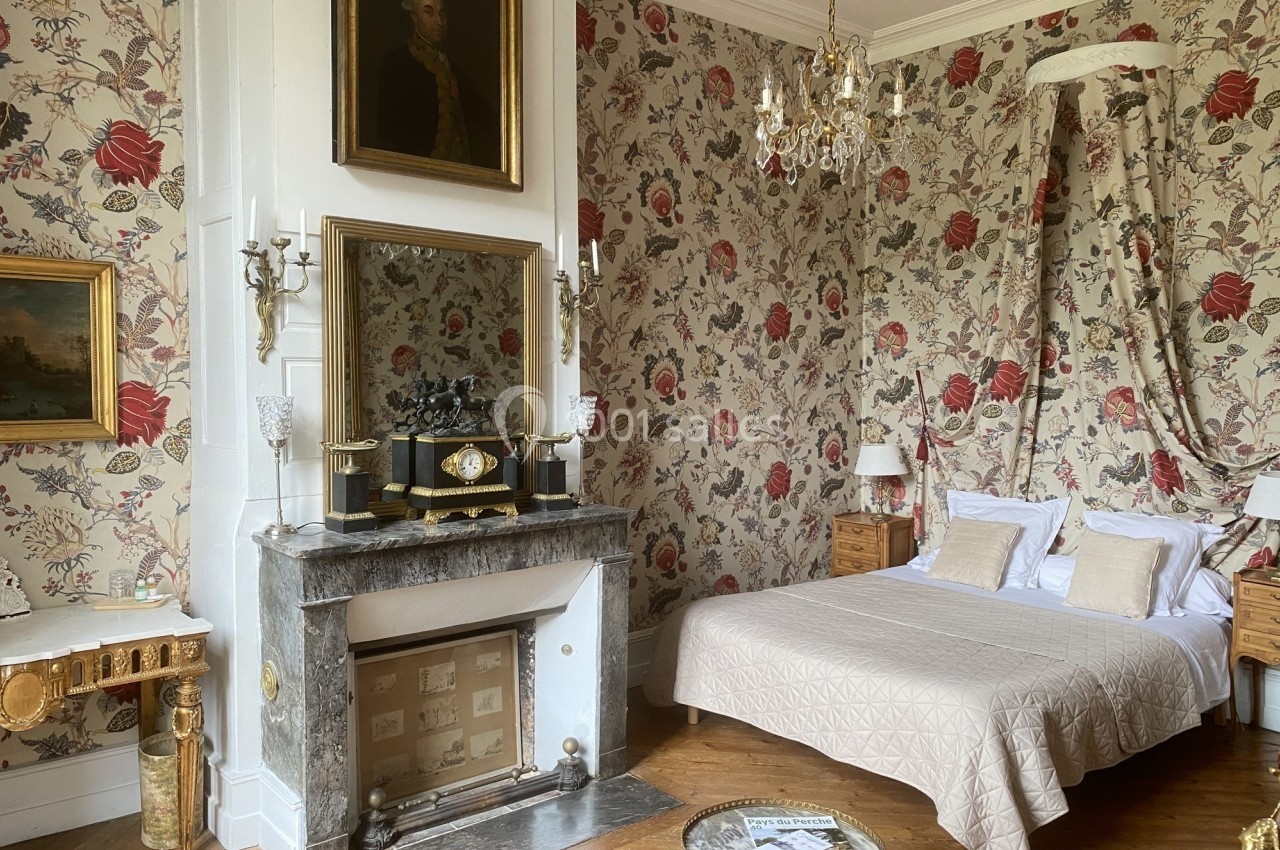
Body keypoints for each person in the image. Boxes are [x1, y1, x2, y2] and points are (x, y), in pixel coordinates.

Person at [376, 0, 471, 163]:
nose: (439, 22)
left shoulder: (453, 67)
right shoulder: (397, 63)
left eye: (442, 13)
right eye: (429, 13)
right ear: (414, 16)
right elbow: (392, 132)